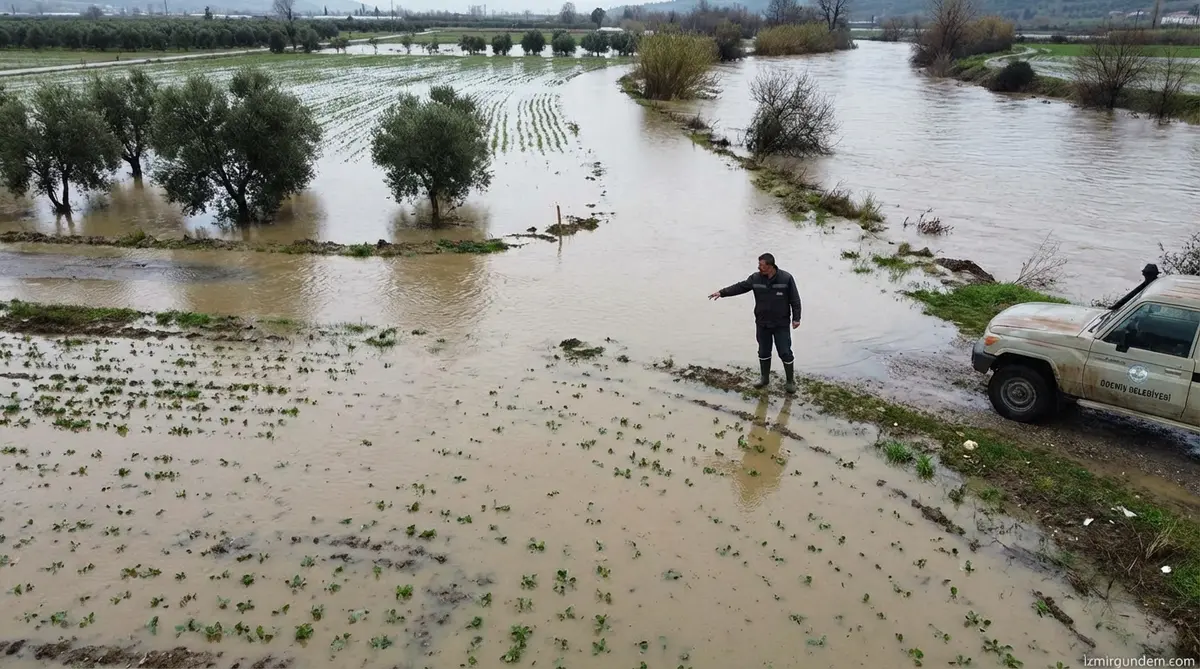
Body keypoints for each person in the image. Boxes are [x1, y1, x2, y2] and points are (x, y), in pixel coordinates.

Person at [708, 253, 802, 393]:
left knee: (785, 352)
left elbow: (795, 300)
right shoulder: (755, 278)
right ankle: (764, 379)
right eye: (758, 265)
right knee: (763, 351)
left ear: (770, 266)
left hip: (780, 324)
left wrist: (796, 318)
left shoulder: (786, 278)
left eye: (761, 266)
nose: (759, 268)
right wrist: (722, 293)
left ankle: (790, 381)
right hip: (762, 323)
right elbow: (740, 287)